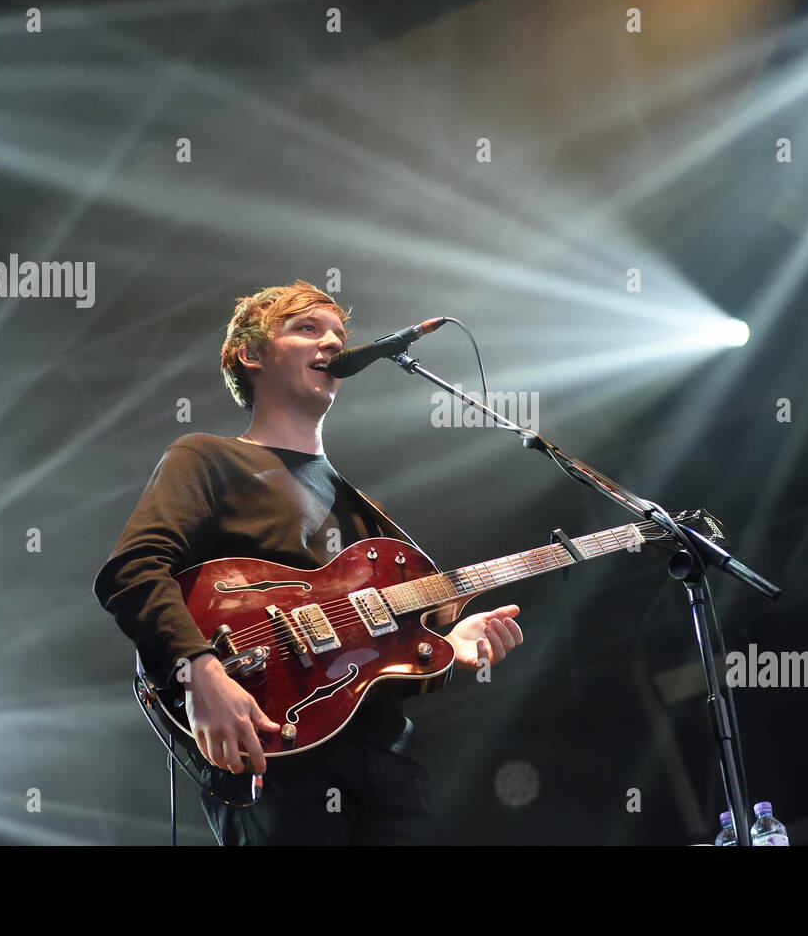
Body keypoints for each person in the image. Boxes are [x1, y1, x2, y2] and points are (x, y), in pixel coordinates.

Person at [93, 279, 524, 845]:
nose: (333, 343)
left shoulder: (364, 510)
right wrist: (199, 669)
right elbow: (133, 570)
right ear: (251, 355)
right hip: (273, 746)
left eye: (339, 334)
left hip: (386, 755)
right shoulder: (206, 457)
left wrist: (452, 639)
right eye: (307, 329)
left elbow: (390, 649)